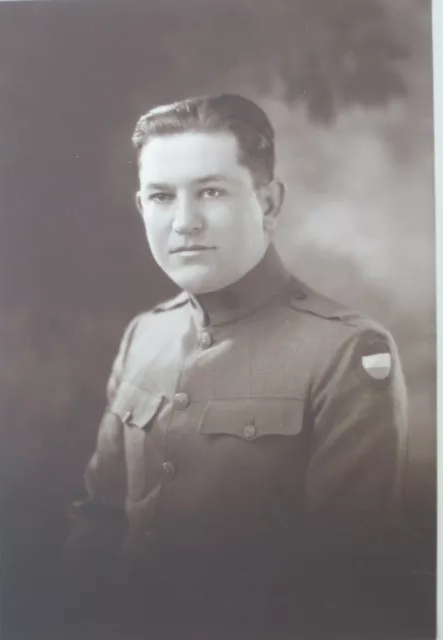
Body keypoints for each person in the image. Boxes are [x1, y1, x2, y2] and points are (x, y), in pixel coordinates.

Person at [63, 94, 409, 637]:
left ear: (268, 203)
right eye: (161, 196)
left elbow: (342, 582)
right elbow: (98, 524)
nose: (184, 222)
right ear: (141, 207)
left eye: (211, 191)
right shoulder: (145, 334)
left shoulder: (346, 352)